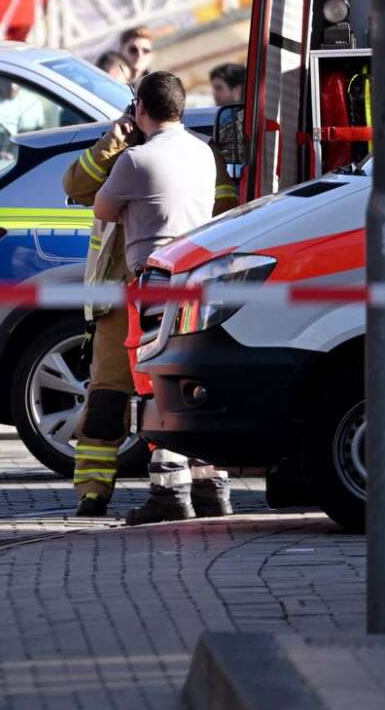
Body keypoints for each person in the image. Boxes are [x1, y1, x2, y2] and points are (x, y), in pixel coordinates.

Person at [68, 71, 236, 523]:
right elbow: (227, 210)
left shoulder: (137, 158)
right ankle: (199, 490)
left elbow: (88, 197)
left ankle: (126, 494)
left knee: (136, 393)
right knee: (163, 392)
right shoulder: (198, 154)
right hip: (179, 290)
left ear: (140, 108)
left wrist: (118, 144)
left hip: (140, 290)